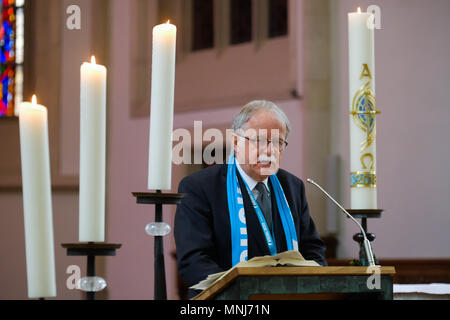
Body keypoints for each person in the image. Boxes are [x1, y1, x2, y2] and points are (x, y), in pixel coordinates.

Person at [174, 100, 327, 298]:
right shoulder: (199, 187)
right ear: (236, 142)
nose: (269, 151)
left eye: (278, 142)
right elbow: (194, 260)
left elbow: (312, 249)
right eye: (260, 140)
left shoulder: (292, 186)